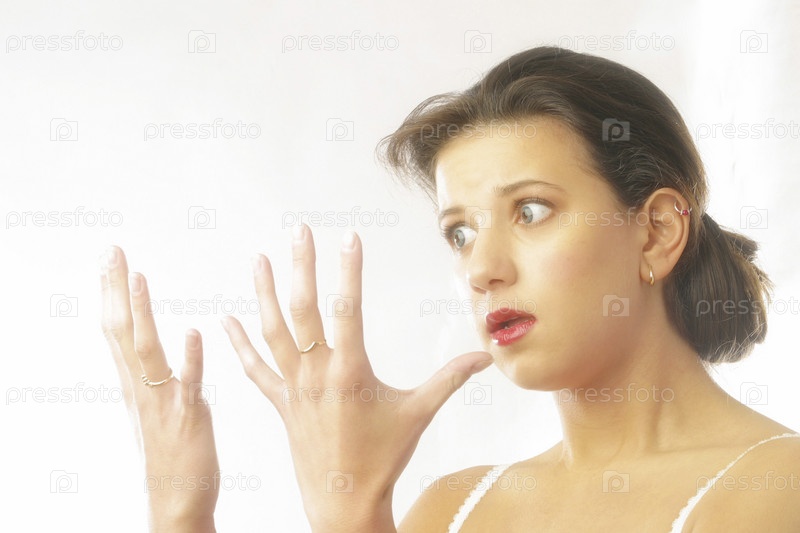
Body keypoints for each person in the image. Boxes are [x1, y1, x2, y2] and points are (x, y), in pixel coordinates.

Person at [100, 46, 800, 532]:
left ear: (656, 232)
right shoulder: (456, 508)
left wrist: (348, 513)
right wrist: (181, 510)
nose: (480, 269)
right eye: (460, 232)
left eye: (530, 211)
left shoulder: (776, 485)